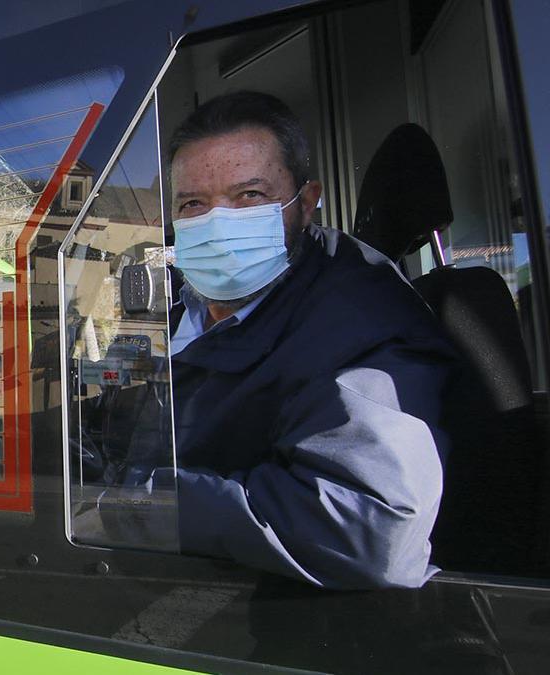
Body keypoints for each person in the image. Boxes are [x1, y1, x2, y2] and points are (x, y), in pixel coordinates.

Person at [147, 90, 458, 589]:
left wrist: (142, 503)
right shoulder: (180, 306)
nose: (217, 223)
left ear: (306, 202)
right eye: (193, 203)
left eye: (249, 195)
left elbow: (368, 527)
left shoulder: (360, 320)